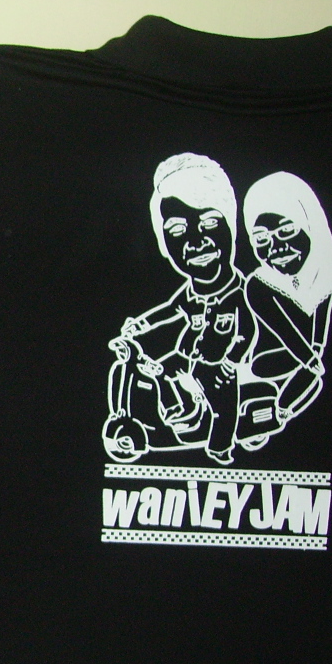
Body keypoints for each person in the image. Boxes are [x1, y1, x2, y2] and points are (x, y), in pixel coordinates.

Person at [112, 152, 256, 465]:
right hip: (189, 357)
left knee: (224, 407)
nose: (196, 241)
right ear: (163, 244)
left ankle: (220, 447)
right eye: (177, 231)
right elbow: (168, 310)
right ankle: (181, 411)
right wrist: (140, 324)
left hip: (219, 365)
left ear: (233, 227)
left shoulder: (241, 294)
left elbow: (248, 332)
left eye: (210, 222)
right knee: (161, 369)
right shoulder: (189, 293)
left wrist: (231, 361)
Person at [242, 171, 332, 425]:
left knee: (311, 378)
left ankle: (280, 410)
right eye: (261, 239)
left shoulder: (326, 276)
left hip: (306, 362)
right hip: (267, 363)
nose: (277, 248)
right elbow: (285, 331)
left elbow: (319, 333)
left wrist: (314, 355)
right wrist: (310, 360)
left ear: (310, 224)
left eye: (286, 230)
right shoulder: (258, 285)